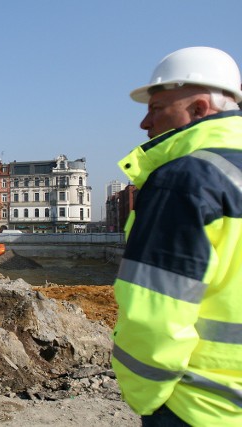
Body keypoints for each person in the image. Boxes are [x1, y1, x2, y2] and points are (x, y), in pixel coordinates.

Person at [111, 46, 242, 426]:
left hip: (201, 405)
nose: (145, 123)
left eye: (157, 107)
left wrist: (147, 400)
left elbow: (155, 315)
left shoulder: (186, 181)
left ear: (199, 109)